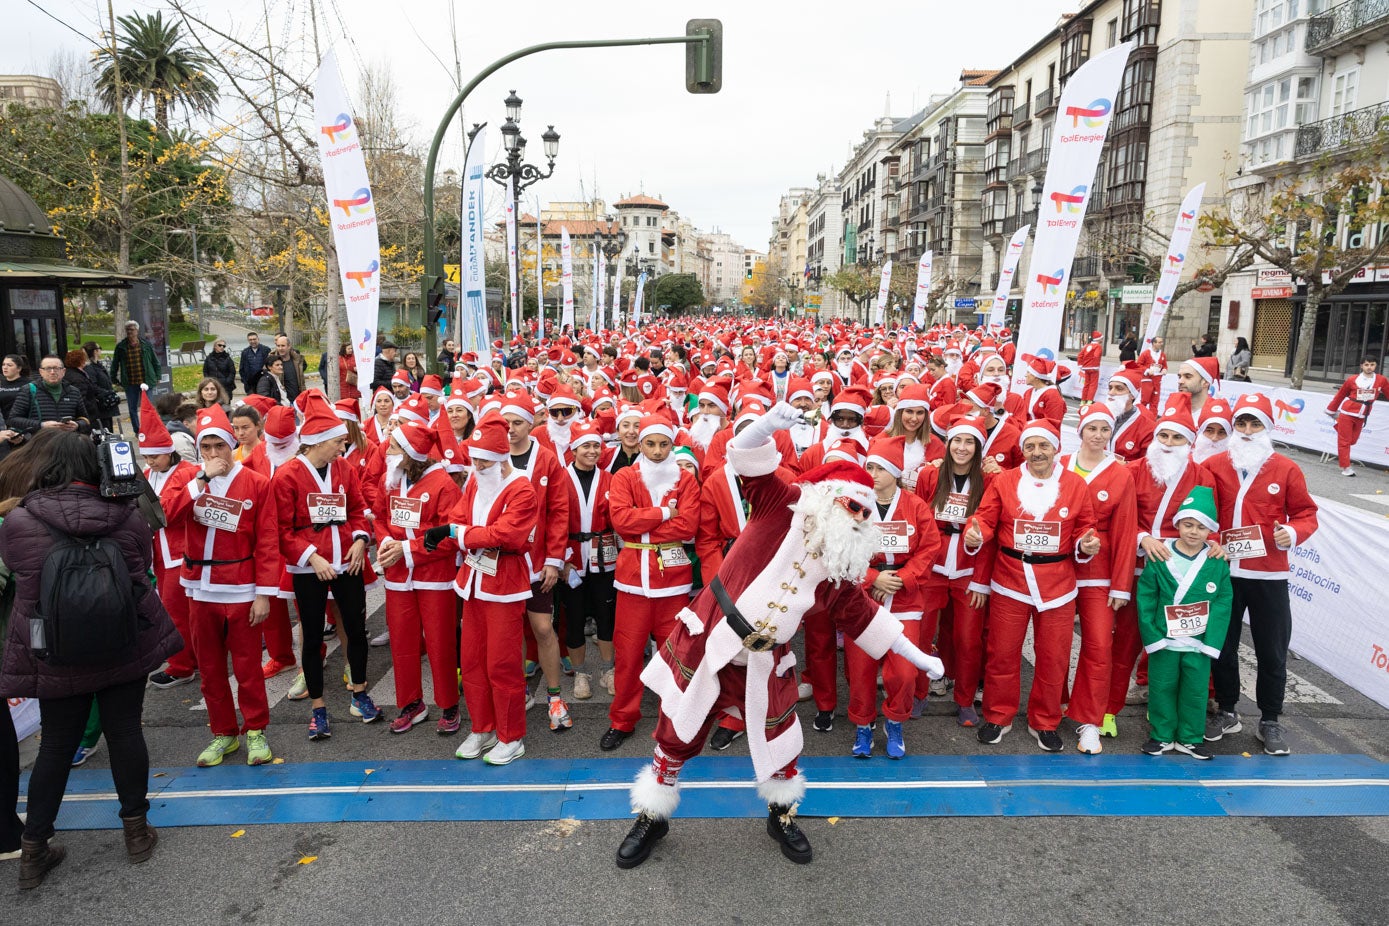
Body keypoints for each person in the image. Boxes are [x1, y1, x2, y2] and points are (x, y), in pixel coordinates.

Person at [615, 402, 943, 870]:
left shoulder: (837, 563)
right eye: (850, 504)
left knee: (780, 741)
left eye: (862, 515)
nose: (854, 517)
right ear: (829, 493)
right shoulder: (779, 502)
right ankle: (652, 815)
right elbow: (745, 454)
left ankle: (781, 814)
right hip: (712, 641)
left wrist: (916, 654)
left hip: (767, 659)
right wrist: (768, 423)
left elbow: (861, 614)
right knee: (675, 732)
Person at [0, 429, 179, 889]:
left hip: (54, 649)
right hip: (122, 640)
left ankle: (34, 849)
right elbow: (142, 566)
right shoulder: (125, 513)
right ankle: (137, 832)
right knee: (125, 732)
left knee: (56, 745)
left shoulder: (19, 521)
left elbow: (23, 578)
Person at [963, 419, 1101, 751]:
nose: (1036, 453)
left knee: (1054, 657)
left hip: (1058, 585)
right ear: (1022, 450)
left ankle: (1045, 721)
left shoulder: (1075, 485)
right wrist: (976, 531)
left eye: (1043, 446)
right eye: (1029, 446)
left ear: (1056, 448)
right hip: (1011, 578)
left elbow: (1086, 524)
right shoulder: (1005, 481)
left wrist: (1086, 542)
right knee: (1002, 654)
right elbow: (985, 516)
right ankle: (998, 716)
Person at [162, 404, 280, 767]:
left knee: (247, 667)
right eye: (207, 447)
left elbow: (268, 540)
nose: (214, 454)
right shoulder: (188, 479)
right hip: (200, 588)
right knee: (211, 668)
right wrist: (200, 481)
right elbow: (167, 515)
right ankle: (224, 733)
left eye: (220, 446)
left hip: (241, 588)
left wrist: (263, 594)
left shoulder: (257, 483)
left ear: (233, 445)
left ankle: (256, 729)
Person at [1206, 393, 1319, 756]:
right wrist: (1210, 540)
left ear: (1268, 428)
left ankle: (1270, 718)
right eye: (1242, 423)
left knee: (1271, 649)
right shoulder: (1215, 464)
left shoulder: (1286, 469)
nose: (1248, 430)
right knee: (1222, 644)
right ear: (1233, 428)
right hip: (1225, 570)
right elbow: (1203, 511)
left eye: (1255, 424)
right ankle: (1227, 710)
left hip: (1268, 574)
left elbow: (1306, 513)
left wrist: (1294, 532)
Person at [423, 415, 538, 765]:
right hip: (473, 584)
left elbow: (506, 535)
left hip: (504, 587)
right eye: (475, 459)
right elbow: (461, 519)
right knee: (471, 662)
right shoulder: (475, 481)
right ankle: (483, 727)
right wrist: (454, 531)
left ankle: (511, 735)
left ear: (501, 457)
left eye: (485, 459)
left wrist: (457, 534)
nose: (478, 465)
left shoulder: (522, 488)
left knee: (501, 665)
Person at [273, 392, 377, 739]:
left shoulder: (344, 468)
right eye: (337, 442)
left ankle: (360, 693)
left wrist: (361, 540)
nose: (342, 448)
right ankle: (318, 708)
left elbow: (359, 510)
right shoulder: (287, 475)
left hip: (347, 561)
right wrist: (311, 557)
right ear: (317, 442)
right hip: (309, 568)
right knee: (313, 636)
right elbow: (282, 530)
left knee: (356, 628)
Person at [601, 411, 700, 752]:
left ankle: (673, 720)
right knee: (628, 655)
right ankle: (622, 720)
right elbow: (621, 521)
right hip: (631, 581)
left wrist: (643, 524)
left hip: (673, 582)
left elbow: (688, 526)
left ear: (672, 444)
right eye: (651, 444)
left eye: (664, 444)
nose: (657, 451)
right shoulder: (625, 476)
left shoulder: (685, 480)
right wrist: (662, 515)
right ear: (640, 444)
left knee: (675, 656)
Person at [845, 436, 940, 759]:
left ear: (895, 473)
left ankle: (895, 720)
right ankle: (862, 725)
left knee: (903, 670)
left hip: (904, 597)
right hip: (864, 598)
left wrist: (904, 578)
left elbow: (929, 547)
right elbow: (841, 550)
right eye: (868, 466)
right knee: (860, 669)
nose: (872, 473)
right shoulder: (855, 505)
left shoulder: (914, 505)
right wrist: (872, 578)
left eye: (879, 468)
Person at [1058, 403, 1138, 755]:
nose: (1098, 435)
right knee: (1053, 644)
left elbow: (1124, 531)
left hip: (1099, 575)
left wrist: (1121, 584)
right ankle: (1053, 705)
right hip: (1057, 568)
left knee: (1099, 646)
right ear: (1081, 431)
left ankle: (1089, 719)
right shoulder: (1058, 463)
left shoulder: (1120, 474)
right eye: (1092, 428)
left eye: (1105, 430)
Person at [375, 421, 463, 734]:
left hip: (433, 577)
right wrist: (387, 542)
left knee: (439, 642)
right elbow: (381, 517)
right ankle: (412, 703)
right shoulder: (394, 479)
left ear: (411, 454)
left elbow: (449, 537)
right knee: (402, 642)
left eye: (395, 448)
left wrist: (407, 550)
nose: (388, 452)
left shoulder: (444, 485)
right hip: (398, 577)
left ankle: (449, 704)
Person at [1136, 486, 1232, 759]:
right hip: (1165, 640)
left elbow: (1223, 603)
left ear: (1210, 531)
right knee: (1161, 688)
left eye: (1201, 527)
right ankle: (1162, 735)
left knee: (1195, 692)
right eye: (1188, 524)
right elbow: (1146, 598)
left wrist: (1211, 642)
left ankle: (1190, 737)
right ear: (1177, 524)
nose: (1193, 532)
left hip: (1198, 643)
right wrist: (1153, 637)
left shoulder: (1216, 560)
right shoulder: (1160, 554)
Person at [915, 413, 993, 726]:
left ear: (978, 447)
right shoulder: (929, 476)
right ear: (947, 444)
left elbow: (992, 535)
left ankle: (964, 698)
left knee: (968, 639)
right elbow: (916, 523)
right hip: (932, 567)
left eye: (969, 442)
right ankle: (918, 693)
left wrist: (981, 582)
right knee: (921, 636)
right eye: (957, 440)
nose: (962, 447)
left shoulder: (989, 481)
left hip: (968, 569)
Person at [559, 422, 616, 702]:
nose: (592, 451)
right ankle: (581, 673)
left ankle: (609, 669)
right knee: (575, 618)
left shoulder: (609, 478)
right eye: (586, 446)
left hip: (603, 555)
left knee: (607, 616)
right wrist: (561, 560)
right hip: (571, 556)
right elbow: (554, 523)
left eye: (596, 445)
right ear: (574, 450)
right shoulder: (560, 478)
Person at [1325, 356, 1389, 476]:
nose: (1369, 367)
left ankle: (1339, 428)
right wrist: (1331, 410)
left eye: (1372, 364)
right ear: (1361, 366)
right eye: (1366, 365)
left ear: (1376, 366)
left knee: (1352, 441)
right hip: (1347, 412)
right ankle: (1346, 467)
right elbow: (1340, 395)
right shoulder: (1352, 379)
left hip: (1362, 415)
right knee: (1344, 441)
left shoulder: (1381, 380)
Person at [8, 355, 92, 436]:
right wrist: (41, 425)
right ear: (41, 372)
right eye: (48, 369)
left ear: (63, 372)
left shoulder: (74, 391)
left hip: (67, 444)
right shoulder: (28, 390)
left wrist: (77, 425)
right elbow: (13, 419)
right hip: (39, 444)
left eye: (56, 368)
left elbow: (85, 419)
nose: (52, 372)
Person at [109, 321, 161, 433]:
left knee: (148, 407)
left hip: (146, 381)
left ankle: (149, 429)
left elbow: (155, 361)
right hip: (130, 383)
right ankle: (137, 431)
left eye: (132, 329)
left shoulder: (146, 345)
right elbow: (115, 363)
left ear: (137, 331)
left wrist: (158, 376)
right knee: (132, 408)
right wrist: (114, 378)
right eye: (127, 329)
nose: (129, 332)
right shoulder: (121, 347)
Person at [82, 343, 118, 432]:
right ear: (95, 351)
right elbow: (92, 386)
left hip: (106, 407)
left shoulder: (98, 365)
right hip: (100, 408)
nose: (101, 350)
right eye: (100, 348)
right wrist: (107, 393)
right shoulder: (90, 368)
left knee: (109, 430)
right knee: (104, 431)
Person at [61, 350, 100, 423]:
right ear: (81, 361)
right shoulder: (78, 378)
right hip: (87, 416)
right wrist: (93, 407)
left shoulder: (69, 373)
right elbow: (82, 398)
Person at [272, 335, 306, 402]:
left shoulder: (297, 360)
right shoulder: (271, 361)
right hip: (282, 401)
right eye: (278, 346)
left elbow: (301, 382)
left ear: (289, 346)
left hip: (298, 400)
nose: (280, 348)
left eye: (283, 346)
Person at [238, 332, 271, 397]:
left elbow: (270, 365)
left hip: (264, 382)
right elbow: (241, 368)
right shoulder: (245, 352)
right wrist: (245, 381)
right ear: (248, 340)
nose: (253, 341)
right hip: (250, 384)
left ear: (258, 339)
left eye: (254, 339)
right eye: (250, 340)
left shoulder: (266, 350)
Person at [1077, 330, 1103, 407]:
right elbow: (1096, 355)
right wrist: (1095, 365)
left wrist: (1081, 365)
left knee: (1086, 384)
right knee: (1093, 385)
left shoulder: (1087, 346)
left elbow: (1080, 355)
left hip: (1086, 367)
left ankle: (1083, 401)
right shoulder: (1098, 346)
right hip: (1093, 368)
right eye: (1101, 338)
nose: (1102, 340)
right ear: (1098, 339)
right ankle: (1089, 400)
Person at [0, 355, 30, 422]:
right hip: (4, 425)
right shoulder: (1, 383)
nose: (5, 367)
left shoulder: (29, 384)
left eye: (9, 365)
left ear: (19, 368)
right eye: (3, 364)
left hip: (23, 422)